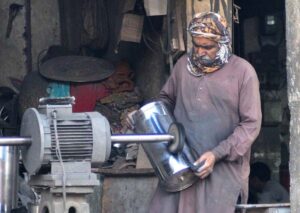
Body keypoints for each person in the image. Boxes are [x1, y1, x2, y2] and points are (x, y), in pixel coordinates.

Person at [148, 12, 262, 213]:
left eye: (207, 47)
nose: (200, 52)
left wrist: (216, 154)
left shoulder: (243, 72)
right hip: (180, 167)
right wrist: (147, 116)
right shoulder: (184, 66)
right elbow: (165, 100)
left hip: (221, 173)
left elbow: (250, 125)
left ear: (222, 42)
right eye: (196, 45)